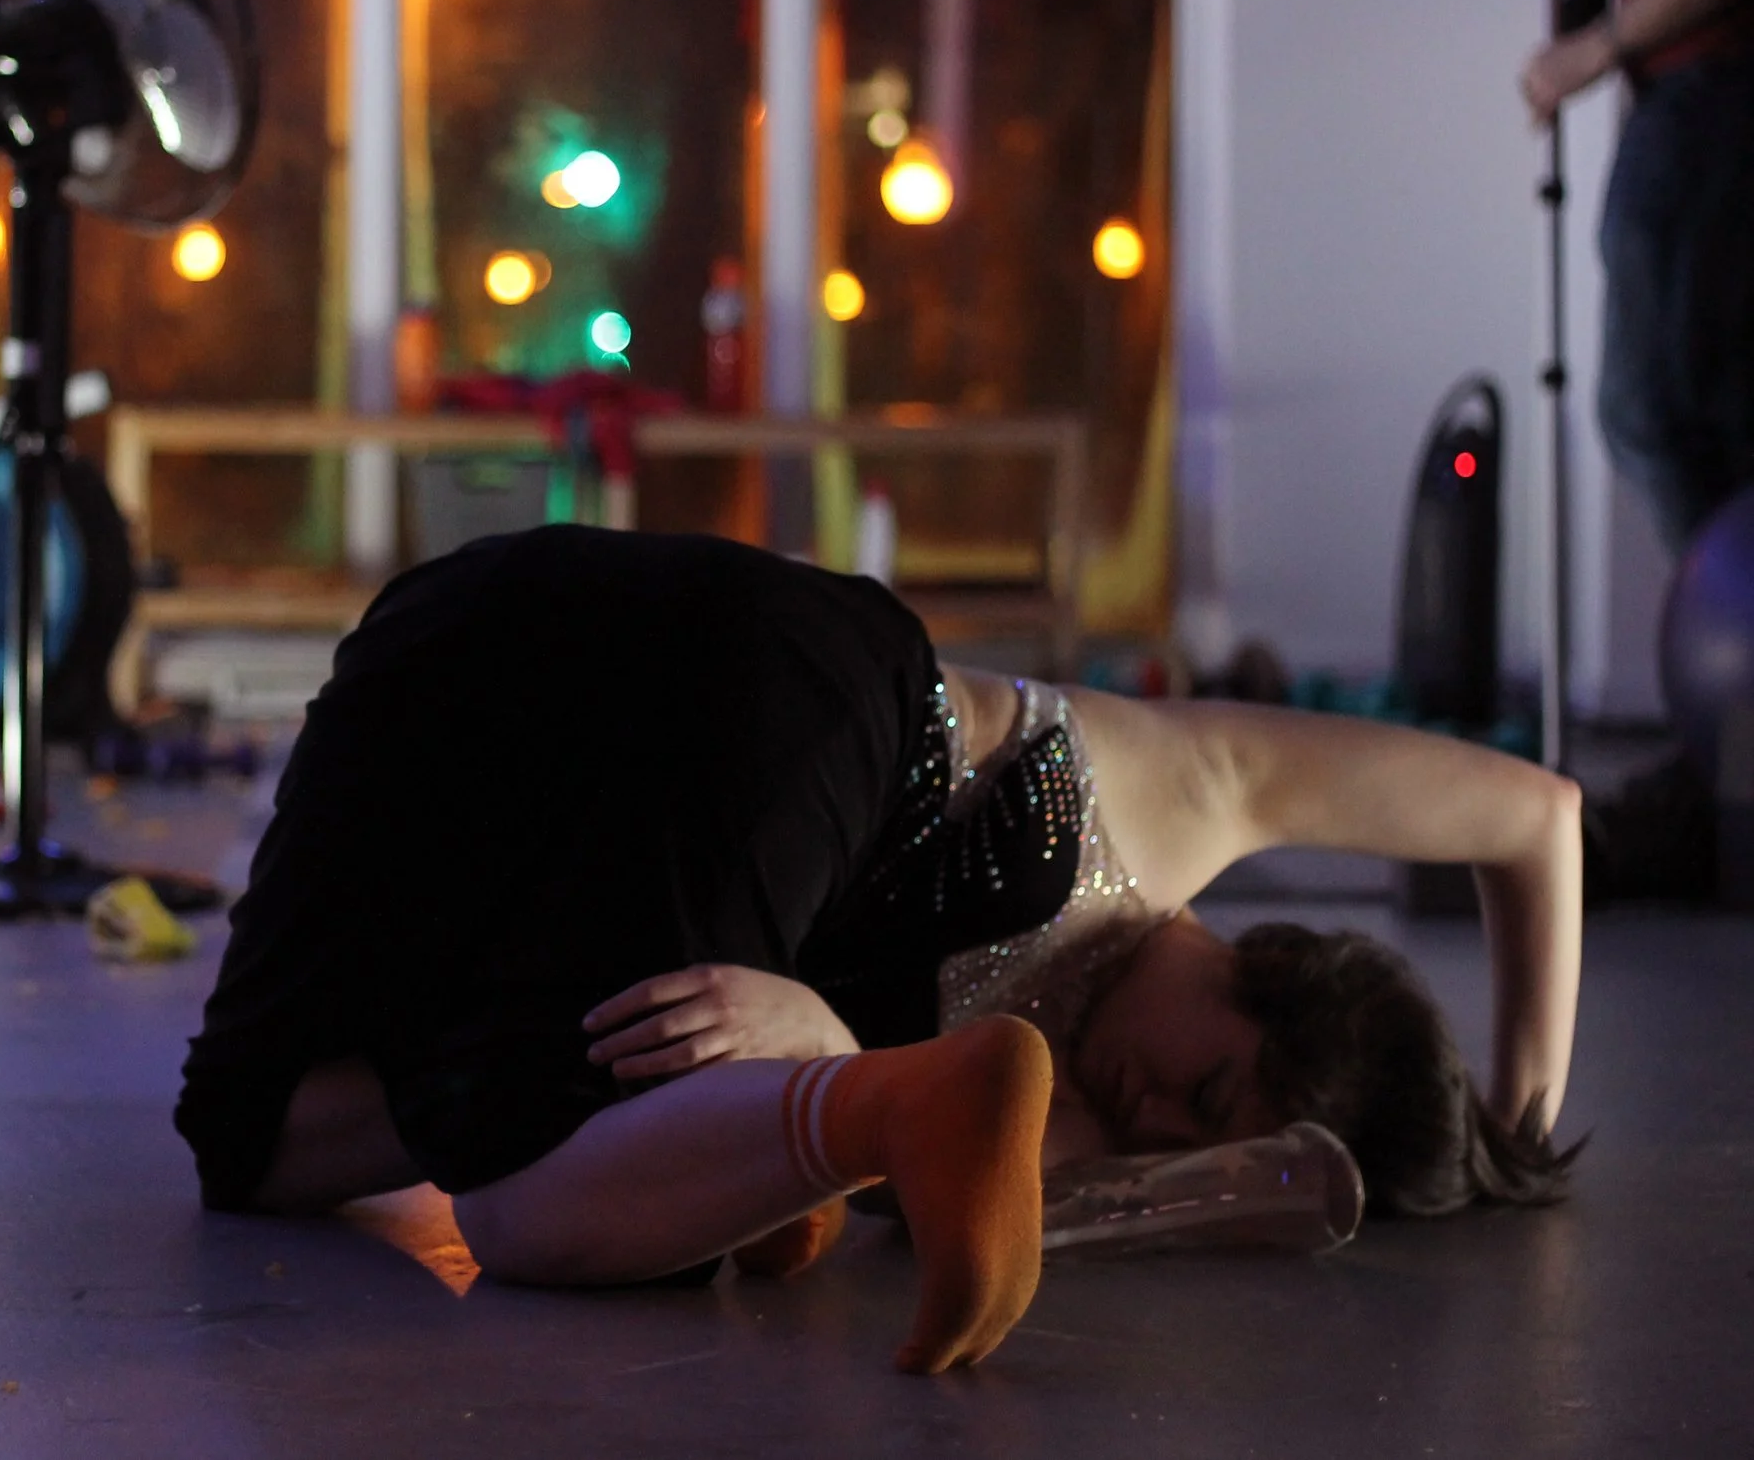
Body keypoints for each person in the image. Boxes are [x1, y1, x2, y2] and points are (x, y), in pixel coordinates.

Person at [175, 527, 1584, 1375]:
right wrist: (1519, 1117)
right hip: (775, 692)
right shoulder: (1215, 787)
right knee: (519, 1196)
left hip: (498, 671)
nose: (1157, 1113)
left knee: (250, 1143)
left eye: (1194, 1136)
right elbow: (1539, 816)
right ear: (1260, 969)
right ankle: (856, 1107)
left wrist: (1456, 1171)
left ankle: (831, 1109)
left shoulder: (1081, 1122)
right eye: (1208, 1086)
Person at [1521, 0, 1754, 902]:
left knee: (1654, 406)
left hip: (1710, 84)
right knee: (1707, 411)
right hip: (1690, 85)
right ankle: (1732, 740)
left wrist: (1592, 50)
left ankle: (1737, 712)